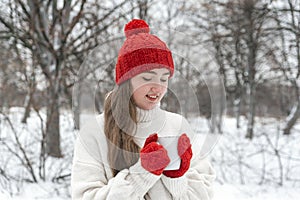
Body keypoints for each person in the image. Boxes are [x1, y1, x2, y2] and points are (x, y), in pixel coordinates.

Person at [71, 19, 216, 200]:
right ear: (125, 81)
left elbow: (205, 193)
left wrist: (176, 178)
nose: (158, 88)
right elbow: (86, 196)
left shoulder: (177, 125)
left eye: (164, 79)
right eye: (147, 78)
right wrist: (142, 174)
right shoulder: (94, 132)